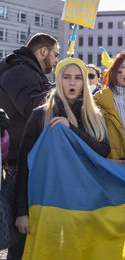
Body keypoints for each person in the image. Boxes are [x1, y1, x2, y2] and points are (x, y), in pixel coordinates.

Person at [13, 58, 110, 250]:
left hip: (84, 204)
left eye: (77, 78)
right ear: (58, 80)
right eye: (66, 77)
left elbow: (102, 152)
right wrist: (21, 211)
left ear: (84, 81)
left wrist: (72, 130)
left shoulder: (95, 116)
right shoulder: (40, 115)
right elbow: (25, 166)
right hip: (47, 204)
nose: (72, 83)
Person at [0, 33, 59, 259]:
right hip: (20, 161)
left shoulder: (27, 70)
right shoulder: (19, 71)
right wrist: (61, 90)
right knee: (22, 231)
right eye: (55, 55)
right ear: (43, 51)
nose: (55, 61)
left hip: (30, 157)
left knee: (30, 230)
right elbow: (31, 106)